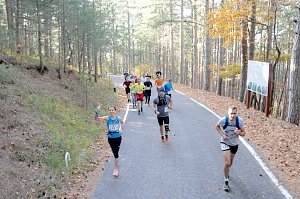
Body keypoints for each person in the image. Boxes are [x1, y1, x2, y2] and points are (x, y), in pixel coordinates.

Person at [215, 106, 246, 192]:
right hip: (225, 142)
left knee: (230, 163)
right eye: (231, 113)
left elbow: (244, 133)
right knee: (227, 162)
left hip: (234, 144)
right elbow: (217, 126)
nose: (232, 115)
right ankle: (226, 181)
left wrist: (239, 132)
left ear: (236, 113)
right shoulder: (223, 120)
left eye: (234, 113)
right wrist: (222, 135)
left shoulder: (239, 121)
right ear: (228, 113)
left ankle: (227, 172)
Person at [95, 104, 124, 177]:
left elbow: (122, 122)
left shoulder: (118, 118)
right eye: (110, 110)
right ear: (108, 111)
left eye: (112, 110)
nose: (111, 111)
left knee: (115, 153)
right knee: (114, 151)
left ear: (115, 111)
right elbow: (96, 119)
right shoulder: (107, 118)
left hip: (118, 138)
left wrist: (121, 128)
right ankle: (116, 163)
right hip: (110, 138)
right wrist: (97, 111)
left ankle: (116, 169)